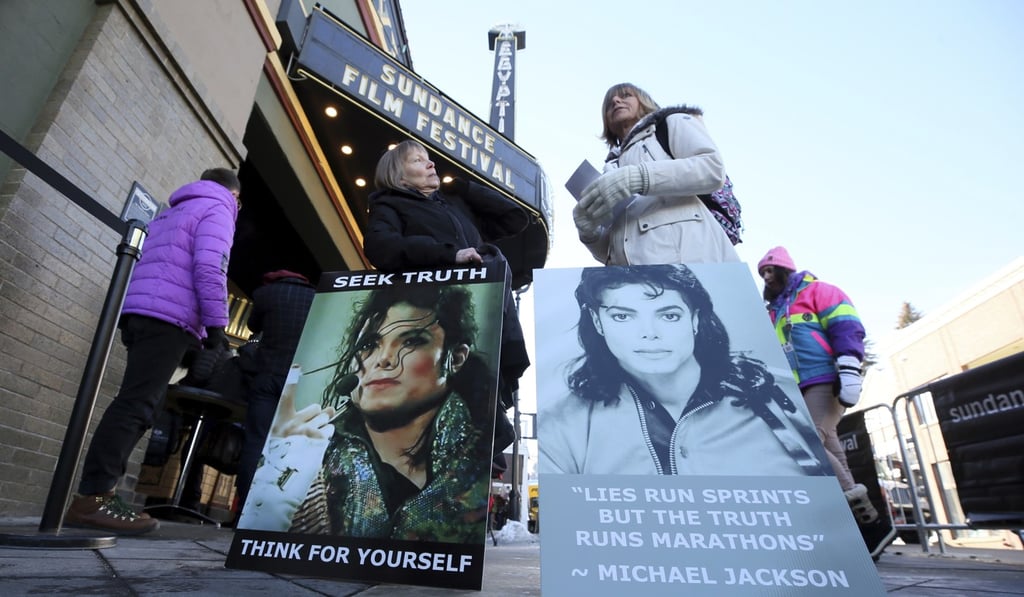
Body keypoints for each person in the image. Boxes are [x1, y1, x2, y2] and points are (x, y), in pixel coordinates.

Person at [238, 285, 495, 543]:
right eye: (370, 344)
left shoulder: (475, 468)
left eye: (412, 341)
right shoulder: (305, 460)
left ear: (457, 358)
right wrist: (274, 486)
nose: (383, 359)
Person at [65, 168, 241, 534]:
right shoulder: (219, 209)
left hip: (141, 315)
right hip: (168, 319)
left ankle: (101, 494)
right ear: (234, 194)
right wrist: (217, 328)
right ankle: (93, 498)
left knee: (140, 404)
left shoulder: (171, 210)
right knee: (136, 405)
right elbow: (210, 268)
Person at [539, 264, 826, 476]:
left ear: (696, 319)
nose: (648, 333)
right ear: (598, 322)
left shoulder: (777, 394)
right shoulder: (561, 427)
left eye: (669, 315)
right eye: (623, 316)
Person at [363, 139, 530, 464]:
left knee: (480, 393)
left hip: (478, 308)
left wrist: (466, 187)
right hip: (432, 312)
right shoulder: (389, 204)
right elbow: (381, 247)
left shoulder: (454, 204)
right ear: (398, 175)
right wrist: (447, 255)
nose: (430, 164)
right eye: (417, 160)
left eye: (430, 160)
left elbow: (514, 218)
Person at [757, 245, 896, 559]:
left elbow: (846, 326)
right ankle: (868, 526)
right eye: (762, 273)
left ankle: (870, 527)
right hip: (796, 387)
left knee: (808, 443)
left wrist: (849, 368)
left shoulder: (819, 291)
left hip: (825, 379)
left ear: (785, 269)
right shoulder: (773, 311)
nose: (767, 277)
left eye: (770, 270)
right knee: (833, 453)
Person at [574, 82, 738, 265]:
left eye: (626, 95)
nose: (615, 100)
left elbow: (712, 168)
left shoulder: (671, 123)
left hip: (693, 266)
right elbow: (609, 251)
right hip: (637, 283)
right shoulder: (610, 169)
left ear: (644, 102)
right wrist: (590, 234)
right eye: (609, 104)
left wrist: (636, 178)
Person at [233, 269, 316, 511]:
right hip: (298, 380)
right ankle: (282, 511)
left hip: (267, 376)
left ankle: (244, 508)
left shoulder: (265, 294)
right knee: (294, 445)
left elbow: (253, 326)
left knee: (256, 441)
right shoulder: (315, 297)